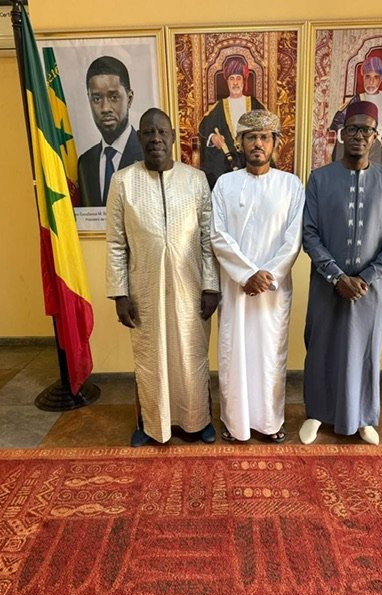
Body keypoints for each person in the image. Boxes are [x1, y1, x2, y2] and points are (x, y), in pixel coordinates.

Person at [106, 107, 220, 446]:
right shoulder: (123, 181)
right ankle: (151, 424)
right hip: (144, 287)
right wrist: (119, 294)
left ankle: (198, 420)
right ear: (140, 138)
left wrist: (211, 286)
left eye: (162, 132)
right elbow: (116, 243)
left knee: (190, 354)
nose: (155, 138)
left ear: (172, 138)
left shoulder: (195, 179)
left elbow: (207, 238)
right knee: (150, 357)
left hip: (191, 286)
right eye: (148, 132)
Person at [300, 101, 382, 446]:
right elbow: (309, 233)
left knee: (366, 351)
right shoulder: (319, 179)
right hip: (326, 286)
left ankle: (363, 418)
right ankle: (316, 413)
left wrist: (366, 277)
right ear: (342, 134)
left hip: (371, 290)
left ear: (375, 137)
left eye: (366, 130)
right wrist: (336, 276)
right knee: (321, 349)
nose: (359, 136)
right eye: (352, 129)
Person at [211, 110, 305, 443]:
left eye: (265, 137)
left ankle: (269, 422)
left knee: (269, 356)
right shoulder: (225, 184)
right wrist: (247, 274)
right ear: (240, 142)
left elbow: (293, 238)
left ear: (275, 143)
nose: (257, 144)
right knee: (234, 354)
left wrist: (267, 276)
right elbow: (218, 234)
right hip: (236, 288)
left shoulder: (291, 185)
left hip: (272, 292)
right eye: (251, 137)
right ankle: (235, 422)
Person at [329, 56, 382, 196]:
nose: (371, 82)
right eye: (368, 77)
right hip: (359, 150)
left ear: (381, 79)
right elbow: (338, 122)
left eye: (376, 77)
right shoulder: (356, 100)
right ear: (363, 77)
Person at [78, 56, 143, 207]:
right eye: (96, 99)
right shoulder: (85, 162)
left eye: (114, 97)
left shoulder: (146, 155)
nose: (105, 108)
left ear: (129, 98)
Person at [198, 56, 266, 189]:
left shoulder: (254, 104)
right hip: (225, 163)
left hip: (251, 158)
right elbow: (203, 128)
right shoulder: (219, 106)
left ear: (244, 81)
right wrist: (213, 137)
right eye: (232, 78)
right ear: (227, 82)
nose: (235, 82)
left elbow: (267, 128)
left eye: (238, 78)